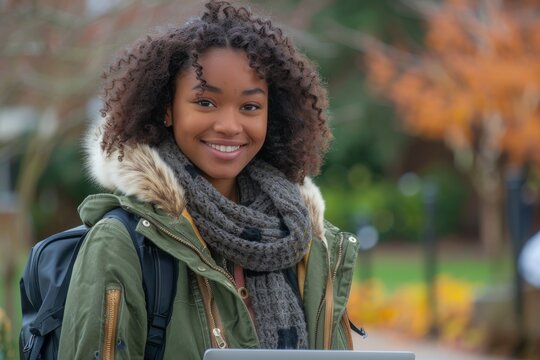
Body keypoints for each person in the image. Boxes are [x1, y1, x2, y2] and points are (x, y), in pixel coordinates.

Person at [58, 1, 360, 358]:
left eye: (250, 107)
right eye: (205, 102)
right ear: (168, 109)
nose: (230, 126)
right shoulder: (123, 244)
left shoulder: (306, 242)